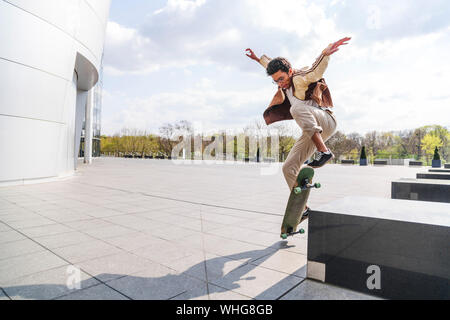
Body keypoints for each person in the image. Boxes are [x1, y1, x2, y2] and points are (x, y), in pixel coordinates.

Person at [246, 37, 351, 213]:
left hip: (325, 120)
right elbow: (270, 64)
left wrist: (324, 54)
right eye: (276, 81)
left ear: (290, 71)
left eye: (281, 78)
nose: (280, 84)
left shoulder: (300, 77)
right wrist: (258, 59)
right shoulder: (282, 79)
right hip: (313, 130)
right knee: (288, 167)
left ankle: (324, 152)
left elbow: (314, 72)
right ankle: (303, 209)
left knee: (296, 108)